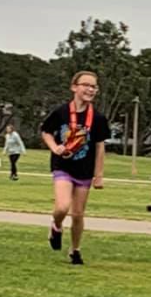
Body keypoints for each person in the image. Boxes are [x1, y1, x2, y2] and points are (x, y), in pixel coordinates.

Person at [41, 71, 110, 265]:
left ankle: (75, 250)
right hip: (62, 166)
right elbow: (46, 132)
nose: (90, 89)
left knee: (78, 213)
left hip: (85, 170)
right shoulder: (61, 112)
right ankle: (56, 225)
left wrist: (99, 175)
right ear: (74, 87)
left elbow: (100, 147)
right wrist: (55, 148)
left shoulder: (97, 118)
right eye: (86, 85)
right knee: (62, 206)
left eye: (93, 86)